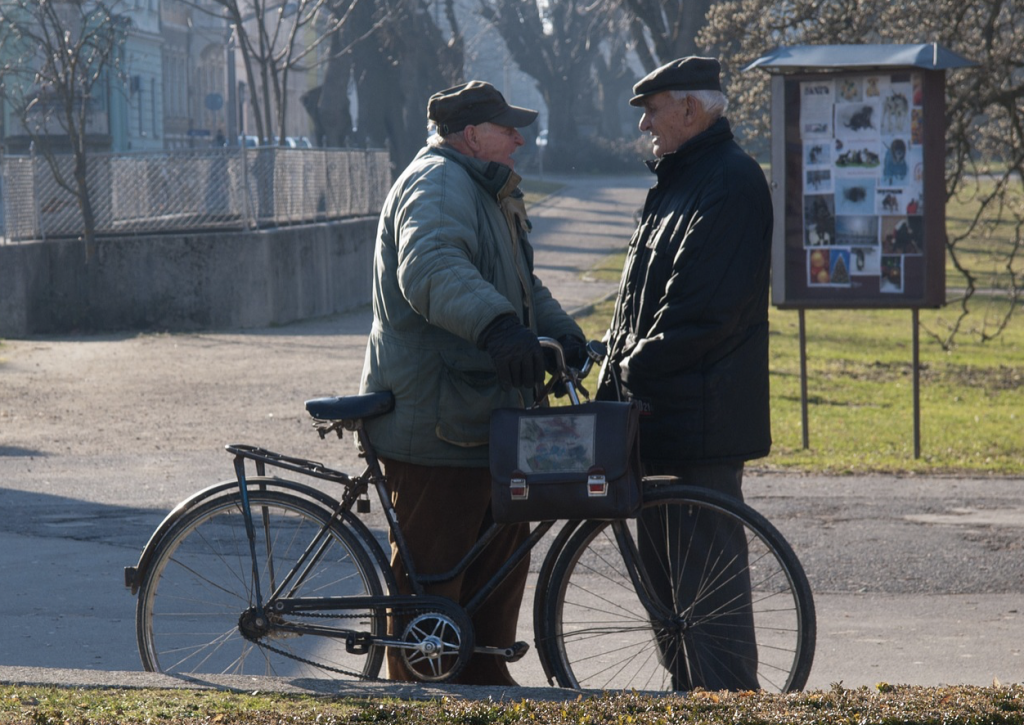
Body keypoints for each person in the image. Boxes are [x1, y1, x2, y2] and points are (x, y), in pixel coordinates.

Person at [358, 80, 585, 686]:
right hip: (437, 420)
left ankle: (484, 675)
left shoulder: (484, 189)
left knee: (499, 557)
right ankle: (420, 692)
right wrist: (498, 330)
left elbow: (522, 287)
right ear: (470, 135)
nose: (519, 138)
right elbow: (430, 267)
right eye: (507, 128)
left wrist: (565, 337)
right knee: (435, 576)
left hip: (482, 415)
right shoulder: (437, 184)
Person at [597, 56, 773, 690]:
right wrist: (612, 361)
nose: (645, 122)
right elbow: (640, 301)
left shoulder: (729, 182)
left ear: (692, 110)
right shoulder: (679, 180)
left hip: (702, 423)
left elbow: (702, 312)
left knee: (707, 602)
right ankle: (690, 700)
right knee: (671, 601)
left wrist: (627, 364)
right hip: (661, 418)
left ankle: (725, 703)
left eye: (653, 108)